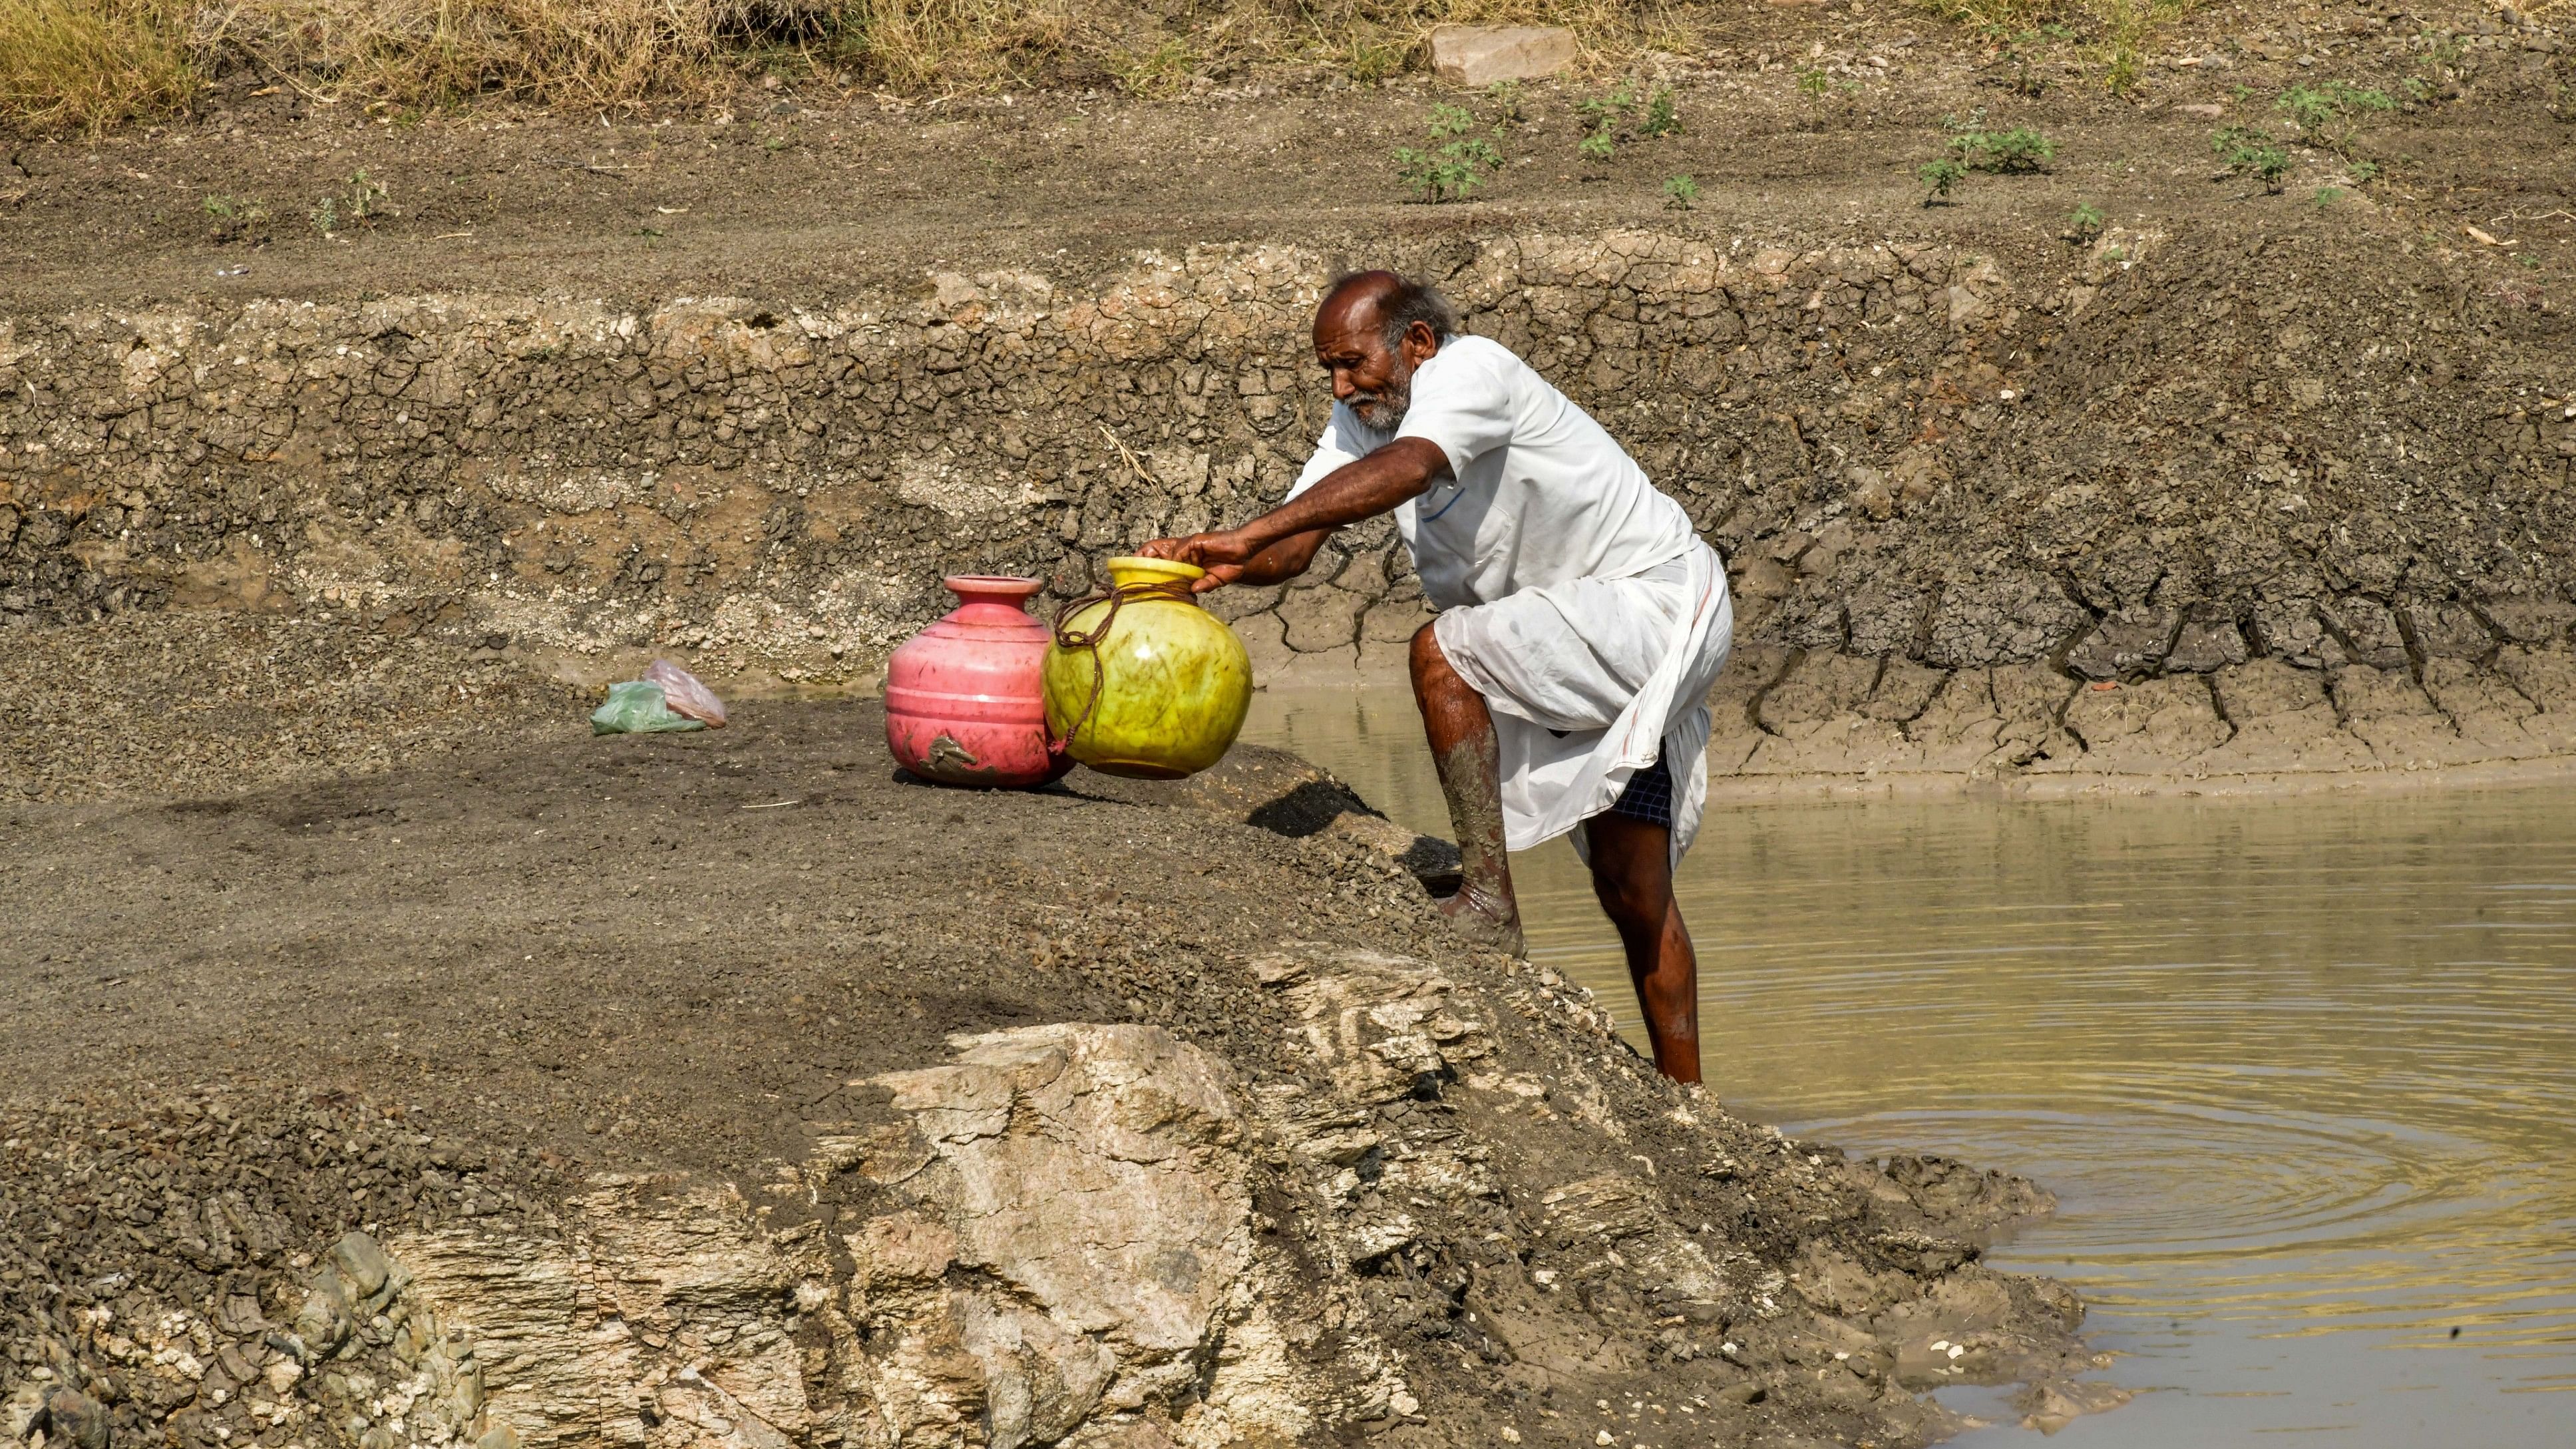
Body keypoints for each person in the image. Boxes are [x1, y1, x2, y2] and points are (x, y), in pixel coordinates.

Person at [1139, 270, 1733, 1084]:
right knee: (1632, 887)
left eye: (1353, 364)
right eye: (1331, 371)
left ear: (1416, 342)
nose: (1343, 387)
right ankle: (1689, 1098)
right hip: (1575, 629)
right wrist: (1220, 558)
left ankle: (1489, 902)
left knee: (1441, 651)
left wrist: (1250, 532)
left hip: (1653, 609)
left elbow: (1413, 468)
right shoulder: (1363, 417)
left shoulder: (1470, 370)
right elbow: (1295, 544)